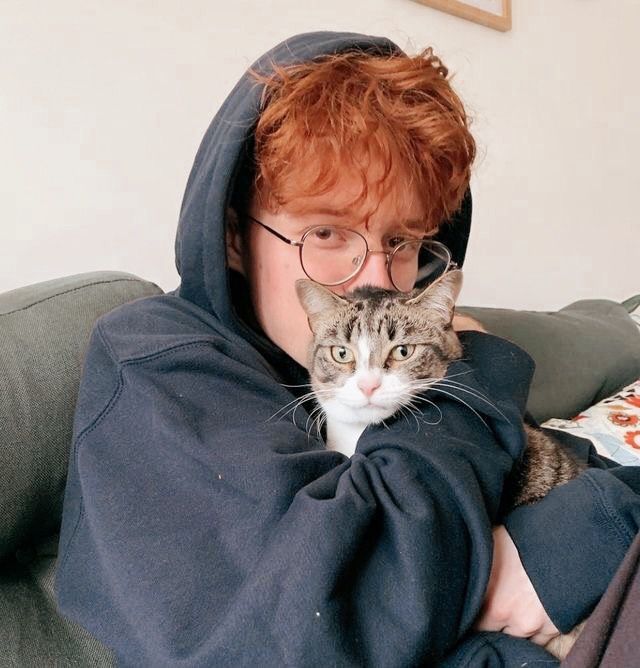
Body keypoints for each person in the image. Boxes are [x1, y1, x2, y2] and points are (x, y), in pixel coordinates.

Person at [55, 31, 640, 666]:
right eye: (327, 232)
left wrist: (558, 549)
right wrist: (478, 361)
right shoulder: (158, 358)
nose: (378, 280)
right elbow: (336, 612)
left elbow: (602, 486)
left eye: (402, 240)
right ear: (231, 238)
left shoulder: (411, 351)